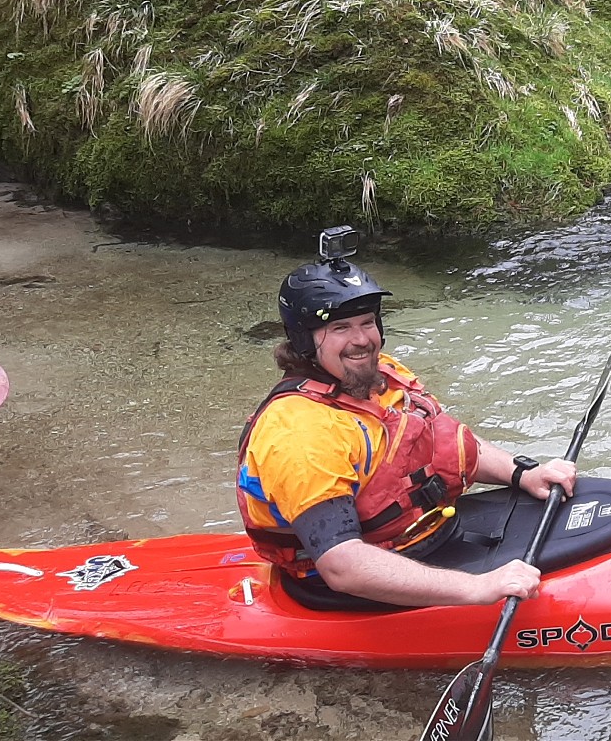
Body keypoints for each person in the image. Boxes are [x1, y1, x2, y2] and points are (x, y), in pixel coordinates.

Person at [237, 235, 577, 608]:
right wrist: (478, 588)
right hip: (354, 584)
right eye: (340, 328)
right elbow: (342, 566)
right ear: (304, 340)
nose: (361, 340)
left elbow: (444, 444)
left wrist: (522, 472)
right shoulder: (300, 432)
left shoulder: (383, 375)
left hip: (429, 534)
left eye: (367, 322)